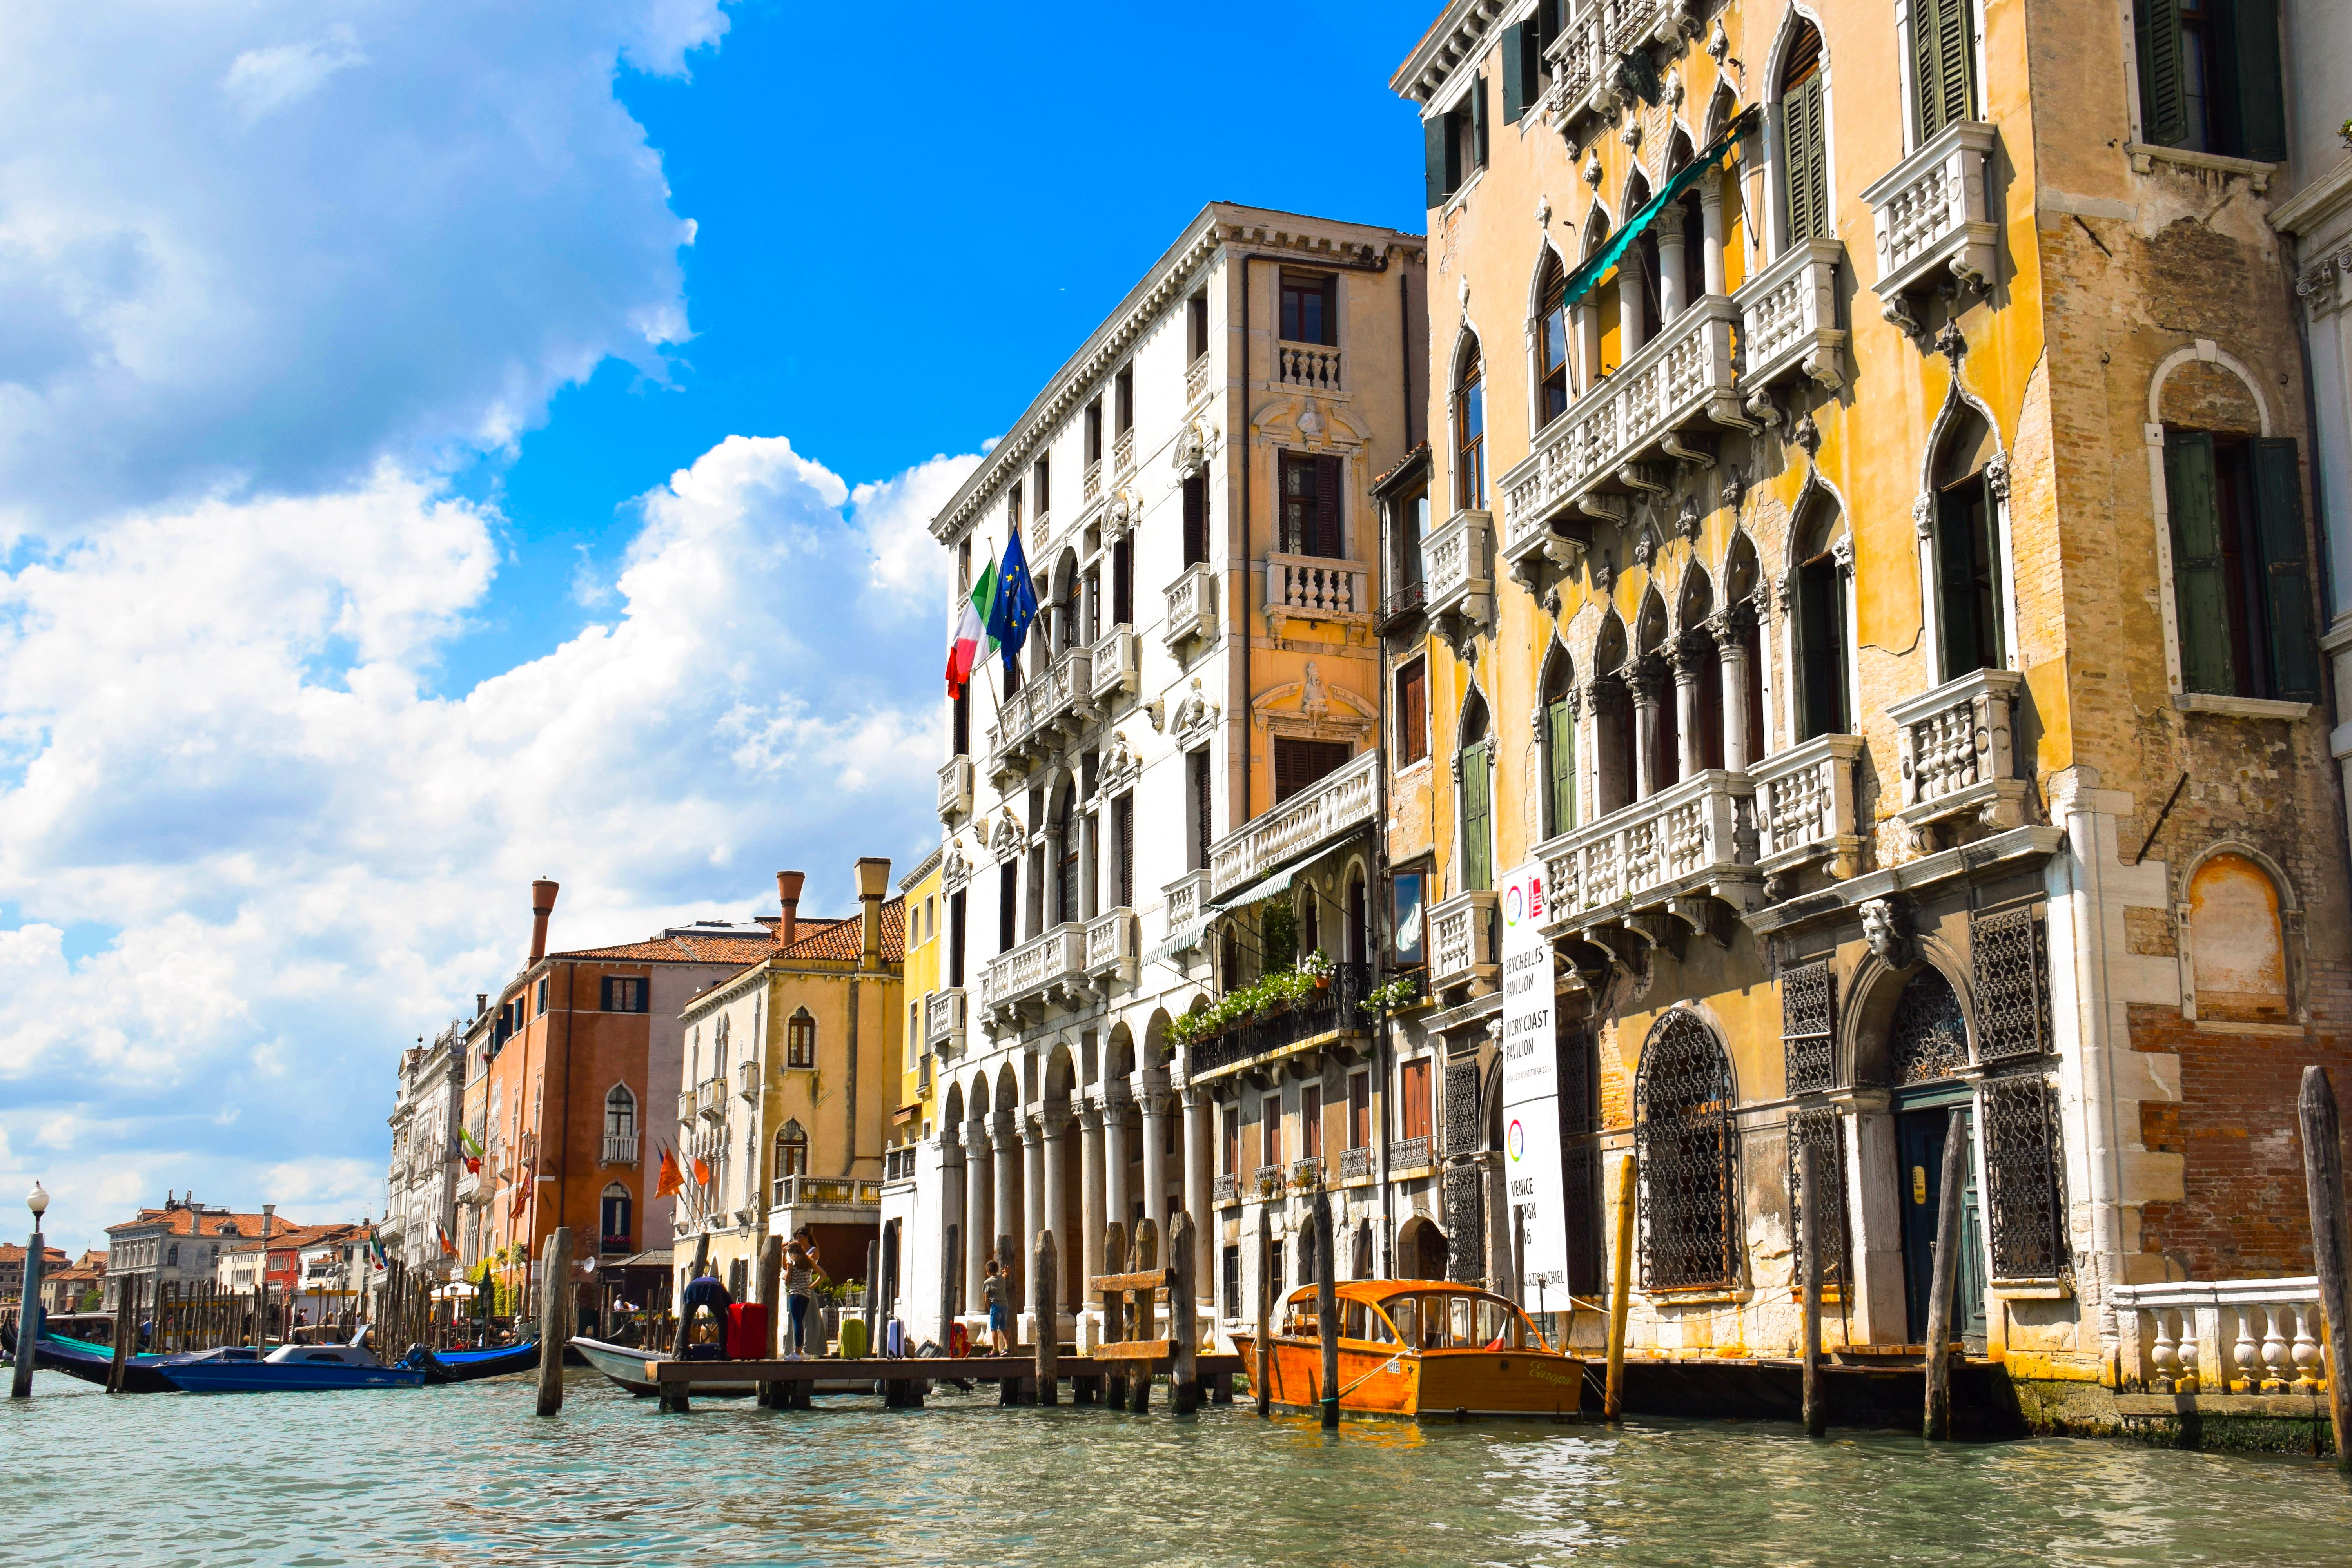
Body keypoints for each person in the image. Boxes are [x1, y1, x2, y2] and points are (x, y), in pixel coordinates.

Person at [784, 1228, 826, 1357]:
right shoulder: (808, 1263)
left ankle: (798, 1352)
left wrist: (789, 1269)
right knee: (801, 1323)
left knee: (798, 1322)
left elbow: (787, 1281)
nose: (798, 1239)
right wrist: (810, 1287)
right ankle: (800, 1351)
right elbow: (823, 1274)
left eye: (800, 1237)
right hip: (806, 1294)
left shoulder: (794, 1263)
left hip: (796, 1294)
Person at [982, 1255, 1010, 1353]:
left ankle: (995, 1349)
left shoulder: (988, 1282)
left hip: (995, 1306)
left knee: (994, 1328)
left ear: (988, 1272)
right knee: (1004, 1327)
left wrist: (990, 1307)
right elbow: (1005, 1275)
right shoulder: (1002, 1279)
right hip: (1005, 1305)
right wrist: (1006, 1272)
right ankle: (1007, 1347)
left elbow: (986, 1299)